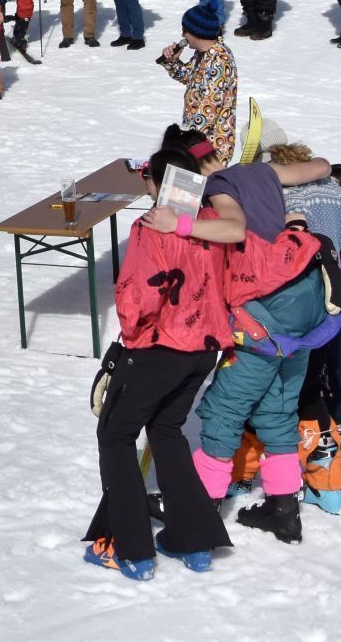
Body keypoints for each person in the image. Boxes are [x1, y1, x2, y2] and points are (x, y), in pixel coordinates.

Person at [142, 139, 339, 548]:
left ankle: (201, 506)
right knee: (278, 406)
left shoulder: (220, 185)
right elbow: (320, 166)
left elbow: (232, 228)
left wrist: (177, 223)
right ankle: (284, 510)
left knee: (224, 409)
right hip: (303, 305)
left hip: (263, 314)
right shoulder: (260, 171)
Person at [82, 126, 233, 579]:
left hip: (161, 345)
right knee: (166, 429)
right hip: (205, 346)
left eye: (149, 175)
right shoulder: (209, 222)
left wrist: (131, 340)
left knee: (116, 433)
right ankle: (193, 540)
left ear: (162, 182)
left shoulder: (150, 228)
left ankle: (131, 548)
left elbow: (136, 295)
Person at [157, 2, 238, 165]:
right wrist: (172, 62)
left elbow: (209, 109)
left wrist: (184, 143)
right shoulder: (203, 54)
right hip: (195, 141)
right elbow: (189, 77)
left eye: (184, 30)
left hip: (211, 146)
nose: (182, 34)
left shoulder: (219, 61)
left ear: (195, 32)